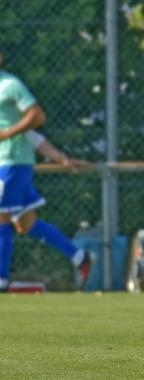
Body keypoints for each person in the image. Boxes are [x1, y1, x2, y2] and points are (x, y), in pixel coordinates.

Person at [0, 54, 92, 292]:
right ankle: (80, 256)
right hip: (11, 164)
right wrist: (60, 157)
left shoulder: (9, 85)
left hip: (11, 164)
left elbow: (36, 118)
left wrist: (7, 134)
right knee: (25, 224)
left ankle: (0, 280)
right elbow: (30, 136)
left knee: (1, 219)